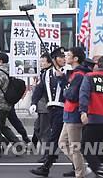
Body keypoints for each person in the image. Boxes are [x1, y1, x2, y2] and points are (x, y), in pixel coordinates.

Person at [30, 47, 67, 177]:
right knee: (62, 140)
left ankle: (46, 165)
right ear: (54, 59)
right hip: (51, 108)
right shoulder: (46, 74)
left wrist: (63, 77)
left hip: (64, 109)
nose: (64, 59)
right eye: (61, 57)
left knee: (54, 138)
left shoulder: (67, 72)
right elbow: (39, 89)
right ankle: (75, 166)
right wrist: (33, 103)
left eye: (64, 57)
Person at [78, 55, 103, 175]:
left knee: (86, 147)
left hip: (94, 119)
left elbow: (84, 94)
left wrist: (83, 111)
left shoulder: (90, 77)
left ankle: (99, 169)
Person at [58, 47, 92, 178]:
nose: (65, 57)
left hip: (74, 113)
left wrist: (66, 88)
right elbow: (67, 91)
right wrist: (62, 80)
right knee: (62, 143)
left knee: (74, 147)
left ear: (75, 58)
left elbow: (71, 95)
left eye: (68, 55)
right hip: (69, 113)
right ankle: (82, 167)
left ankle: (80, 173)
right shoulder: (74, 74)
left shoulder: (79, 75)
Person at [29, 54, 52, 162]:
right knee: (38, 128)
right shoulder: (43, 74)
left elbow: (42, 91)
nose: (41, 63)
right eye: (40, 61)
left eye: (43, 61)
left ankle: (48, 155)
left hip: (46, 107)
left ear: (49, 62)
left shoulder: (49, 74)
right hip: (41, 106)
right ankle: (48, 153)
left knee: (44, 131)